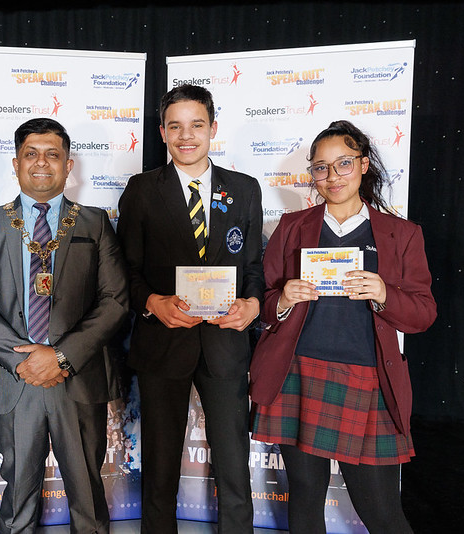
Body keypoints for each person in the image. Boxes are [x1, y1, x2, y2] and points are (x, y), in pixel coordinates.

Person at [249, 120, 437, 534]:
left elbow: (423, 314)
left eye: (344, 164)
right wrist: (282, 299)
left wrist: (385, 292)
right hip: (296, 373)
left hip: (368, 380)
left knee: (383, 513)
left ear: (364, 164)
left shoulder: (402, 234)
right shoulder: (291, 226)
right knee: (304, 501)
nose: (332, 177)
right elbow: (263, 305)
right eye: (320, 168)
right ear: (312, 173)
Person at [0, 117, 129, 533]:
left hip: (79, 374)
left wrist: (61, 356)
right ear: (15, 164)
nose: (41, 163)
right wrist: (24, 359)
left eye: (53, 155)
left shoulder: (94, 222)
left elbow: (116, 301)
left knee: (87, 489)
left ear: (68, 166)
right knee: (18, 491)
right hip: (15, 377)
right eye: (30, 154)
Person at [117, 84, 263, 533]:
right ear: (162, 132)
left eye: (196, 125)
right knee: (160, 467)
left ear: (213, 128)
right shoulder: (142, 190)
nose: (186, 135)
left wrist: (254, 305)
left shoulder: (245, 189)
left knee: (234, 465)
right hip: (164, 342)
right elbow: (125, 271)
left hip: (226, 342)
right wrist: (151, 302)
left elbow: (254, 264)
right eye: (175, 126)